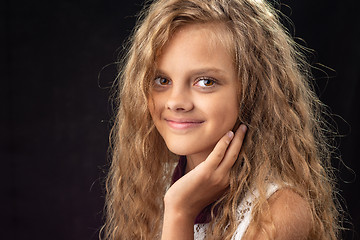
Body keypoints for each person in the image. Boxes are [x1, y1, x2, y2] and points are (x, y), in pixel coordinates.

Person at [102, 0, 340, 239]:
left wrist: (180, 213)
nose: (175, 102)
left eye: (205, 81)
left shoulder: (280, 210)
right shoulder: (155, 184)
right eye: (162, 80)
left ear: (252, 90)